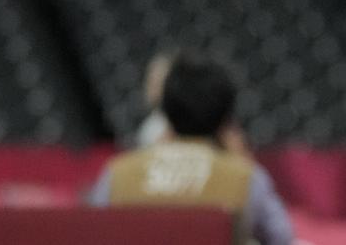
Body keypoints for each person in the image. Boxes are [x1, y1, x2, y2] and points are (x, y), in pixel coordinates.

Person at [89, 53, 294, 245]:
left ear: (166, 110)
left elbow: (87, 234)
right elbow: (282, 239)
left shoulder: (118, 175)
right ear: (226, 118)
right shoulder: (245, 178)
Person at [134, 51, 172, 147]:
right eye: (152, 82)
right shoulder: (149, 128)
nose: (155, 88)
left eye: (160, 81)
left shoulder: (190, 119)